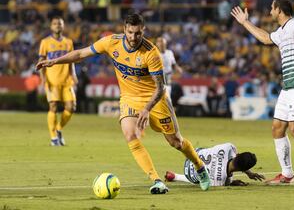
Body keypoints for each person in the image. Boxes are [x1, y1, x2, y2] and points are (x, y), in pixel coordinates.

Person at [36, 13, 210, 194]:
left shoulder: (151, 53)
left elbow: (160, 88)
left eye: (138, 33)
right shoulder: (111, 42)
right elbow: (81, 53)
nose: (133, 38)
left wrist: (146, 109)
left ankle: (200, 167)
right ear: (124, 29)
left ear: (143, 31)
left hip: (154, 99)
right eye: (130, 32)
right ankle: (156, 180)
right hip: (129, 98)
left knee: (176, 142)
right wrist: (55, 61)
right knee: (130, 135)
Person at [231, 0, 294, 186]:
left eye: (272, 8)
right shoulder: (282, 31)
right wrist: (245, 22)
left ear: (279, 11)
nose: (270, 11)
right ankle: (287, 174)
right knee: (277, 128)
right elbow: (265, 38)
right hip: (288, 86)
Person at [38, 16, 77, 146]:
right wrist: (43, 79)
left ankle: (59, 128)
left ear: (63, 26)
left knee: (71, 107)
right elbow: (41, 62)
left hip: (66, 80)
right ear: (51, 26)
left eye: (60, 24)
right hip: (52, 80)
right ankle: (53, 137)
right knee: (53, 106)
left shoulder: (69, 42)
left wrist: (74, 75)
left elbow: (72, 61)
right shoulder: (45, 42)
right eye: (55, 24)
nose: (57, 26)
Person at [164, 143, 265, 186]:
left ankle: (174, 176)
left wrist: (249, 173)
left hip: (192, 154)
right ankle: (176, 176)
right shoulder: (222, 181)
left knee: (210, 151)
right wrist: (231, 183)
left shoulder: (229, 147)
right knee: (203, 180)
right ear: (241, 169)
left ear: (237, 154)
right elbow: (224, 181)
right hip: (189, 174)